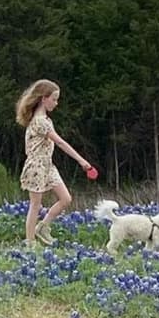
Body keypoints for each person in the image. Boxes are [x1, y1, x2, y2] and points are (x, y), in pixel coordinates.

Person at [14, 79, 95, 247]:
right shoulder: (40, 122)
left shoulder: (46, 120)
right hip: (36, 167)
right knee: (35, 205)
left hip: (48, 165)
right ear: (44, 98)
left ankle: (43, 227)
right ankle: (30, 242)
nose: (56, 103)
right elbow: (60, 142)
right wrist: (81, 160)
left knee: (65, 199)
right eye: (54, 99)